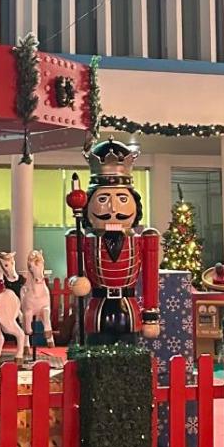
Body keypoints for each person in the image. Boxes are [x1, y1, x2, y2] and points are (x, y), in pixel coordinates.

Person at [65, 138, 161, 343]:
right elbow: (73, 275)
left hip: (130, 309)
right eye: (102, 199)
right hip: (97, 309)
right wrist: (76, 282)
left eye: (122, 199)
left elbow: (151, 278)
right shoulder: (80, 239)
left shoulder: (144, 239)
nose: (113, 208)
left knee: (130, 350)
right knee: (96, 349)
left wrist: (151, 315)